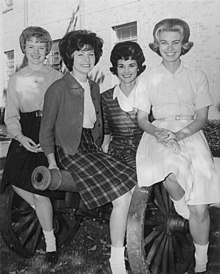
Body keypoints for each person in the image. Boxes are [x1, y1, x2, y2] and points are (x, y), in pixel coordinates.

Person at [39, 30, 136, 274]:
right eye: (80, 53)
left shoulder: (93, 87)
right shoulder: (58, 88)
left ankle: (116, 259)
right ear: (69, 56)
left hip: (91, 149)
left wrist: (102, 146)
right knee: (121, 195)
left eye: (90, 53)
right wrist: (52, 163)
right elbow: (46, 131)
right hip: (70, 151)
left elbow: (98, 124)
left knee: (129, 188)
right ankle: (117, 263)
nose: (86, 58)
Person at [134, 18, 220, 274]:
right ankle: (182, 206)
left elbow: (202, 119)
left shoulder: (196, 76)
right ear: (156, 45)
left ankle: (202, 264)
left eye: (175, 42)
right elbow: (141, 118)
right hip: (158, 134)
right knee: (169, 171)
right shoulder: (148, 77)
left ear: (184, 45)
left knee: (201, 209)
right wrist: (159, 132)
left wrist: (180, 134)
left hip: (190, 134)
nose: (169, 48)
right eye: (163, 43)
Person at [1, 26, 64, 264]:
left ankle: (50, 246)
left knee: (40, 190)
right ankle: (45, 214)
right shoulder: (16, 78)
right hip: (25, 132)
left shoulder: (57, 76)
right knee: (13, 178)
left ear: (47, 49)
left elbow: (64, 111)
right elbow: (11, 117)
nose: (36, 51)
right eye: (31, 46)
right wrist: (19, 137)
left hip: (49, 130)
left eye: (41, 46)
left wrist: (52, 136)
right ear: (24, 49)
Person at [101, 41, 145, 168]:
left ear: (138, 67)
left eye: (131, 65)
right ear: (115, 68)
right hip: (117, 154)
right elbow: (106, 138)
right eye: (121, 66)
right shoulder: (106, 98)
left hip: (145, 150)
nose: (126, 71)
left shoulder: (148, 94)